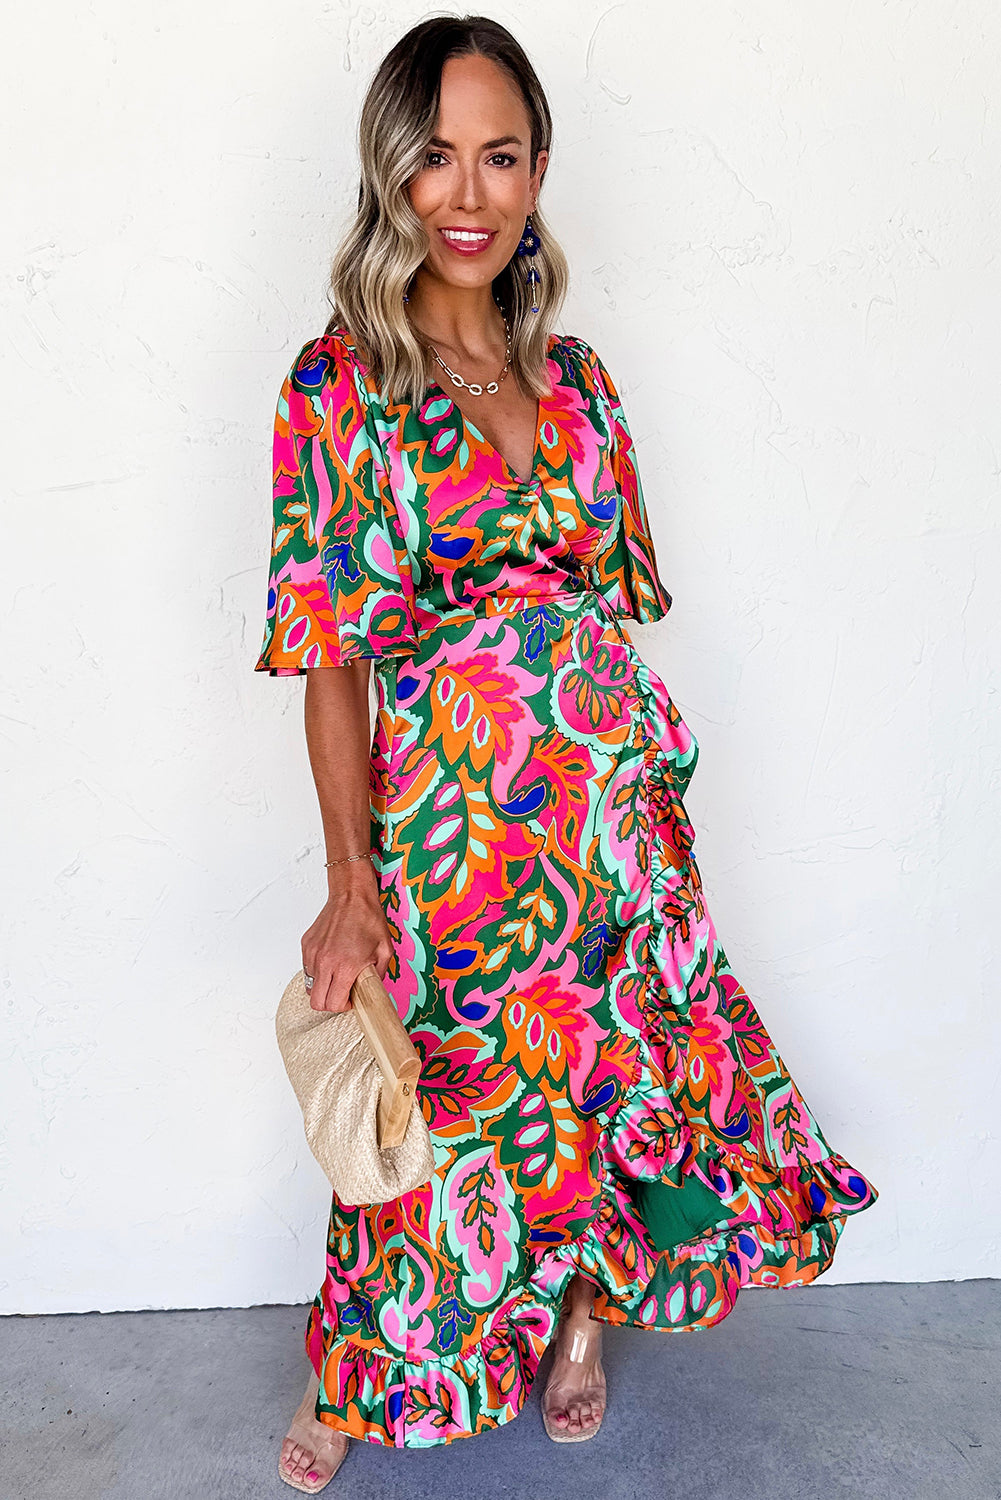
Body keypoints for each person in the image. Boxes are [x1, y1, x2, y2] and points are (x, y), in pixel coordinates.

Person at [256, 15, 877, 1492]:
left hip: (614, 832)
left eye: (502, 155)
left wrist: (644, 808)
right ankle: (355, 1372)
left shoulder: (580, 380)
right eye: (436, 159)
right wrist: (350, 880)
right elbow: (331, 654)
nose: (468, 195)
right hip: (461, 844)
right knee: (443, 1110)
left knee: (614, 1082)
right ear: (389, 173)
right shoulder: (340, 386)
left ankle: (583, 1318)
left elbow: (606, 617)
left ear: (539, 171)